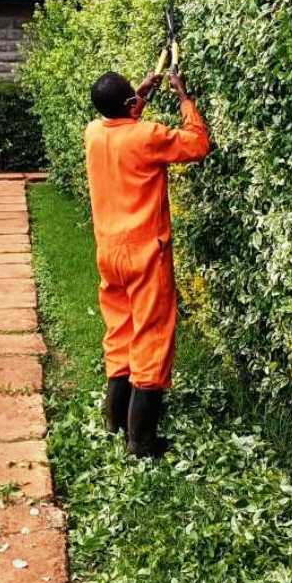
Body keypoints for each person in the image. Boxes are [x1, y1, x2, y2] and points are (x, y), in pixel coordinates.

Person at [85, 67, 210, 458]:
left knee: (120, 330)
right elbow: (196, 144)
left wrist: (137, 96)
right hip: (144, 253)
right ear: (127, 104)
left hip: (109, 251)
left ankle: (115, 419)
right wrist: (183, 97)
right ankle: (140, 442)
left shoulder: (93, 132)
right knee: (152, 335)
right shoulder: (147, 135)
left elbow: (123, 124)